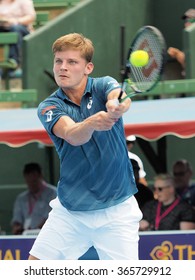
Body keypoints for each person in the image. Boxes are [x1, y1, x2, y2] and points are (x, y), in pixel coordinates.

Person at [28, 33, 142, 260]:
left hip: (117, 209)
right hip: (71, 211)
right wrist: (92, 122)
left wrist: (116, 104)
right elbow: (72, 134)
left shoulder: (103, 85)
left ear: (88, 67)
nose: (63, 67)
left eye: (72, 62)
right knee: (31, 270)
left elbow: (120, 96)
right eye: (58, 61)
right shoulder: (49, 105)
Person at [11, 162, 56, 235]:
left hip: (46, 235)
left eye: (34, 181)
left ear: (40, 176)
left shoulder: (54, 193)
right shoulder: (21, 198)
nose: (31, 184)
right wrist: (17, 228)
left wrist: (33, 231)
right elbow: (16, 220)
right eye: (28, 181)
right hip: (24, 236)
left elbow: (52, 217)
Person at [0, 0, 36, 76]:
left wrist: (15, 21)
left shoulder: (23, 1)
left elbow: (31, 17)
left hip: (22, 29)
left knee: (15, 29)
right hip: (3, 27)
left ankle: (13, 61)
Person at [167, 8, 195, 75]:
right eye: (186, 20)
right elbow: (187, 65)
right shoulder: (189, 38)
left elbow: (190, 63)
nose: (187, 23)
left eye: (190, 19)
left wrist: (177, 53)